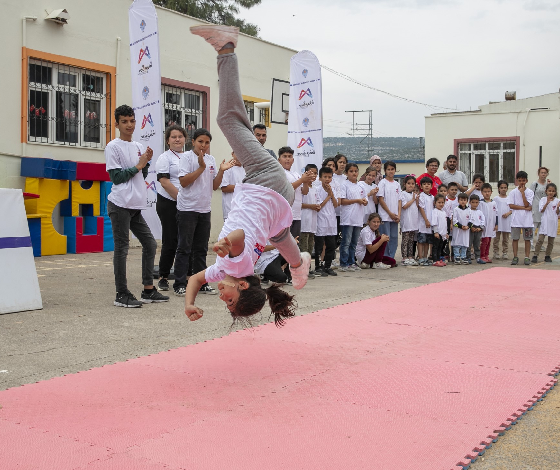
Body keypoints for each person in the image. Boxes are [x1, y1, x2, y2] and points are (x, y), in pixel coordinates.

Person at [185, 25, 310, 326]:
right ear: (242, 285)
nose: (221, 297)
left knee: (280, 236)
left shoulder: (221, 272)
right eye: (228, 299)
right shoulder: (236, 262)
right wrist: (226, 243)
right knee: (228, 119)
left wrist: (189, 303)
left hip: (278, 205)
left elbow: (194, 279)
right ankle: (226, 47)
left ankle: (298, 263)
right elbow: (239, 238)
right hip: (266, 180)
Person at [105, 104, 169, 307]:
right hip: (119, 204)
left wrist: (146, 162)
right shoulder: (112, 147)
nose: (129, 125)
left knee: (150, 244)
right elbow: (116, 178)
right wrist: (139, 164)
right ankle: (121, 294)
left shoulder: (139, 146)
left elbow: (140, 175)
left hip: (134, 205)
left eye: (132, 121)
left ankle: (148, 290)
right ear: (116, 124)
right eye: (124, 121)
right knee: (122, 248)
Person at [173, 128, 234, 297]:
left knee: (200, 248)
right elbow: (184, 182)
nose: (204, 145)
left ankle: (201, 282)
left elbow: (214, 186)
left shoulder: (211, 159)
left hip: (204, 209)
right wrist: (201, 168)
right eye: (200, 141)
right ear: (192, 142)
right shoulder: (186, 157)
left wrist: (222, 170)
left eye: (207, 142)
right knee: (184, 247)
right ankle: (179, 283)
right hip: (187, 209)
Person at [155, 124, 187, 291]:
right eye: (173, 137)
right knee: (171, 239)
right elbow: (165, 182)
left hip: (187, 204)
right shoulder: (164, 158)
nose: (177, 139)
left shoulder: (189, 157)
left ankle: (186, 276)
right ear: (168, 140)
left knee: (186, 241)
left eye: (180, 136)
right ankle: (163, 276)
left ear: (185, 139)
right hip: (168, 202)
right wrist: (181, 198)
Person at [278, 146, 314, 241]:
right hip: (284, 214)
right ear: (279, 160)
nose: (287, 159)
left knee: (295, 242)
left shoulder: (296, 174)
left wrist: (306, 181)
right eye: (284, 156)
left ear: (293, 160)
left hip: (297, 214)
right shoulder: (279, 172)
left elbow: (305, 192)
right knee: (285, 243)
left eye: (289, 156)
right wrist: (302, 179)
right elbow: (286, 189)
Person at [339, 163, 368, 271]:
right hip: (348, 218)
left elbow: (365, 198)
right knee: (346, 242)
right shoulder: (344, 185)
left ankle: (352, 261)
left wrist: (364, 201)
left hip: (358, 218)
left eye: (356, 171)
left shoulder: (361, 185)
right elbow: (342, 201)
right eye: (351, 171)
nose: (354, 173)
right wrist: (357, 200)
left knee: (354, 243)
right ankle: (344, 263)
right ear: (346, 173)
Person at [314, 166, 339, 276]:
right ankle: (318, 266)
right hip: (321, 219)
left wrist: (331, 194)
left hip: (331, 220)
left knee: (331, 245)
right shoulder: (317, 190)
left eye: (329, 177)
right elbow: (319, 206)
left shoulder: (333, 189)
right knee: (319, 245)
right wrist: (328, 196)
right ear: (320, 178)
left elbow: (336, 204)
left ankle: (327, 266)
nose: (327, 179)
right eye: (325, 177)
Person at [507, 170, 534, 266]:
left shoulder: (530, 192)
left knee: (527, 239)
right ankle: (515, 256)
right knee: (515, 238)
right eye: (519, 180)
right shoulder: (513, 192)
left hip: (527, 220)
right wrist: (523, 208)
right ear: (517, 181)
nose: (521, 182)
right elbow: (511, 205)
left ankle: (527, 257)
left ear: (526, 181)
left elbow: (528, 204)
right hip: (516, 219)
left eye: (523, 180)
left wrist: (522, 193)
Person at [377, 161, 401, 259]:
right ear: (385, 171)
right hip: (385, 216)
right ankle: (385, 257)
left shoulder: (397, 184)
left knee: (394, 238)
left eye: (392, 169)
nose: (390, 171)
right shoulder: (382, 183)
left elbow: (400, 200)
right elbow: (381, 200)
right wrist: (390, 213)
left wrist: (398, 215)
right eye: (388, 169)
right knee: (385, 237)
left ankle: (391, 257)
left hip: (395, 217)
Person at [300, 163, 319, 278]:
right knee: (303, 247)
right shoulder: (303, 187)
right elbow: (299, 204)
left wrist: (317, 206)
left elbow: (318, 202)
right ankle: (302, 269)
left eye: (315, 173)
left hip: (312, 222)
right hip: (304, 222)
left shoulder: (315, 189)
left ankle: (308, 268)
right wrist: (311, 206)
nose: (313, 175)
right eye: (311, 173)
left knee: (310, 246)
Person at [532, 183, 559, 263]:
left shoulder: (557, 201)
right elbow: (541, 210)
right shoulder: (543, 199)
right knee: (540, 240)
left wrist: (557, 207)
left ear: (555, 192)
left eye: (553, 191)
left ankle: (548, 255)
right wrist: (547, 203)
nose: (551, 192)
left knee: (551, 241)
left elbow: (557, 213)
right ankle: (535, 255)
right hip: (545, 223)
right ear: (546, 191)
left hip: (553, 223)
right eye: (549, 191)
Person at [398, 175, 419, 266]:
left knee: (411, 240)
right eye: (409, 183)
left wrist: (416, 200)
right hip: (406, 221)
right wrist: (413, 199)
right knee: (405, 240)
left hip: (413, 221)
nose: (411, 185)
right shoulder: (402, 194)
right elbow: (405, 206)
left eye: (413, 184)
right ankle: (404, 257)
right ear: (404, 184)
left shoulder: (415, 194)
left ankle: (410, 256)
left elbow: (417, 207)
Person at [220, 152, 246, 221]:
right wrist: (243, 187)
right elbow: (224, 188)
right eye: (237, 152)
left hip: (244, 210)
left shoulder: (246, 169)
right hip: (230, 210)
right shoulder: (227, 168)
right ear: (232, 154)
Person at [530, 167, 550, 248]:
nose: (543, 174)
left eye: (545, 173)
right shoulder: (535, 184)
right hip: (535, 207)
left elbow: (551, 195)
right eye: (542, 172)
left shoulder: (547, 185)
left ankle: (539, 244)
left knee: (542, 227)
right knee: (533, 226)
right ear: (538, 174)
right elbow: (530, 195)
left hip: (544, 208)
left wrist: (549, 185)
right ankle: (530, 244)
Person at [417, 176, 434, 266]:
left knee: (427, 241)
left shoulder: (433, 197)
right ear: (421, 186)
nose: (426, 186)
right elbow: (421, 209)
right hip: (423, 223)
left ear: (431, 186)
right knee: (421, 241)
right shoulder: (421, 196)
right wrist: (426, 220)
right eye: (424, 184)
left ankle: (425, 257)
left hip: (430, 223)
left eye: (428, 184)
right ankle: (420, 258)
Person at [479, 183, 498, 264]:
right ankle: (482, 255)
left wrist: (496, 224)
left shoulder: (494, 203)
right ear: (482, 193)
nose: (487, 193)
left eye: (488, 191)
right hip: (484, 225)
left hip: (491, 225)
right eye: (485, 191)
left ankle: (487, 255)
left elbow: (496, 214)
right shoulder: (481, 203)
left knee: (489, 240)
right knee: (484, 241)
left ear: (491, 192)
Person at [493, 180, 512, 260]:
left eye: (505, 188)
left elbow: (512, 209)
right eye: (501, 188)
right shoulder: (496, 199)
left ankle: (505, 252)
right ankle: (496, 252)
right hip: (498, 222)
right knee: (496, 239)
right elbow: (494, 209)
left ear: (507, 189)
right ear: (498, 189)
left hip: (506, 221)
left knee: (505, 239)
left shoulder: (510, 198)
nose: (503, 189)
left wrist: (508, 213)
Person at [451, 193, 471, 264]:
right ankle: (457, 257)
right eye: (461, 200)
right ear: (458, 201)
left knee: (464, 243)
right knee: (457, 243)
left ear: (467, 201)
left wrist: (468, 226)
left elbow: (471, 220)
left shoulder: (469, 210)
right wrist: (461, 226)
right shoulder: (456, 209)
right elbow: (454, 220)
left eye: (464, 200)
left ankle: (463, 256)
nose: (463, 201)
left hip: (466, 230)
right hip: (458, 230)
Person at [431, 194, 449, 267]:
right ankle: (435, 260)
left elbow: (444, 224)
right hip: (437, 233)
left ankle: (439, 259)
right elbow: (434, 223)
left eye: (442, 202)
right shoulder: (435, 211)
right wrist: (435, 232)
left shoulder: (443, 212)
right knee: (435, 247)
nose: (441, 204)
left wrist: (446, 233)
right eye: (439, 202)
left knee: (440, 247)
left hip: (442, 233)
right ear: (435, 203)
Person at [468, 194, 486, 264]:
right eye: (473, 202)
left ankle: (478, 257)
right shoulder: (468, 211)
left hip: (478, 229)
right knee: (469, 244)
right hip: (470, 229)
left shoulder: (480, 212)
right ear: (470, 202)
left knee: (477, 244)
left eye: (476, 202)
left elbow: (483, 220)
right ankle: (468, 257)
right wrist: (471, 227)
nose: (475, 204)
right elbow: (467, 220)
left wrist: (480, 228)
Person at [444, 182, 459, 261]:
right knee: (446, 238)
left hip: (455, 221)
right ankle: (446, 253)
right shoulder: (445, 199)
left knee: (454, 238)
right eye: (452, 189)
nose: (454, 191)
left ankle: (453, 254)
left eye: (455, 190)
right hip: (447, 220)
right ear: (448, 190)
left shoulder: (458, 200)